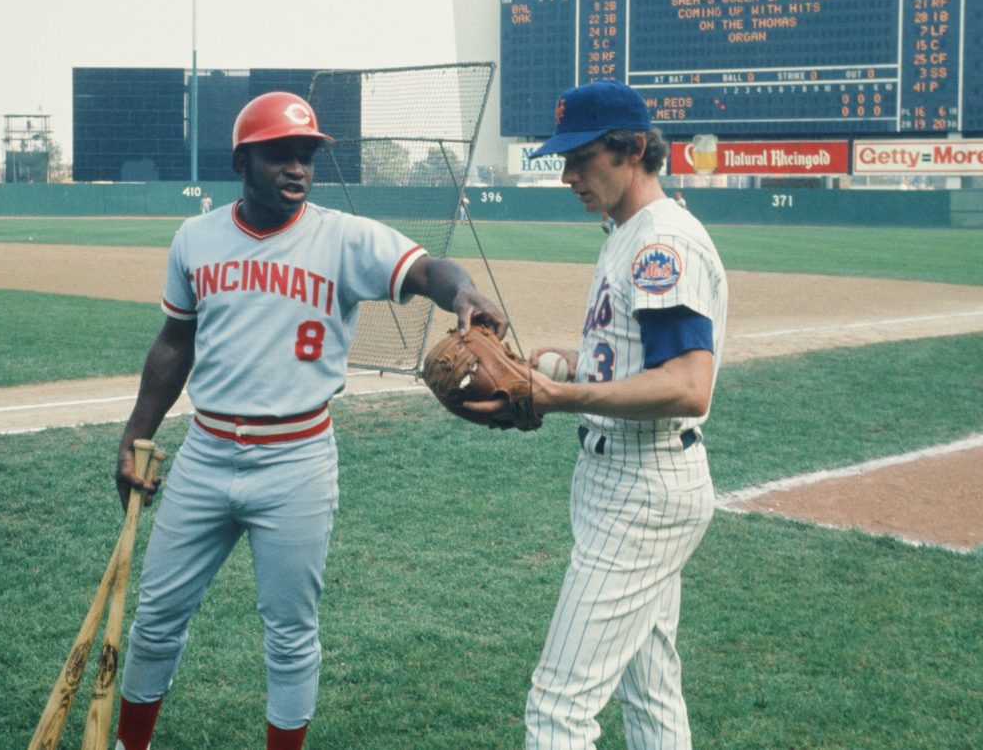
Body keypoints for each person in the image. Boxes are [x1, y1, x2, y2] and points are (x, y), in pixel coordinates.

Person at [111, 91, 508, 750]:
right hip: (206, 456)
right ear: (243, 159)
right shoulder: (197, 239)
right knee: (155, 618)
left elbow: (428, 271)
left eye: (306, 157)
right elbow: (173, 343)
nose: (297, 168)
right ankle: (129, 744)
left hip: (296, 462)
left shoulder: (344, 236)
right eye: (280, 156)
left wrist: (461, 290)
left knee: (290, 633)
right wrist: (138, 432)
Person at [512, 80, 729, 750]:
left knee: (558, 708)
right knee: (650, 688)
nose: (568, 174)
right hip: (629, 479)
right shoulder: (628, 232)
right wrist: (576, 365)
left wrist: (565, 396)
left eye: (582, 158)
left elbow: (690, 385)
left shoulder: (662, 240)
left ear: (634, 148)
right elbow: (645, 359)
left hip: (643, 490)